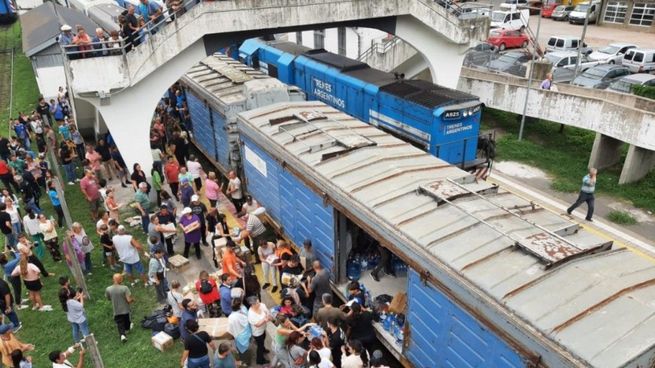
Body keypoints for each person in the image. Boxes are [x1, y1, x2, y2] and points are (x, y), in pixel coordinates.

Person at [105, 273, 134, 342]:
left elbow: (108, 298)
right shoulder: (124, 288)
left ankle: (122, 335)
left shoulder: (108, 289)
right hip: (125, 310)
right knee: (126, 321)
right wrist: (133, 299)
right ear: (121, 280)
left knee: (119, 323)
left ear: (113, 279)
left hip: (116, 310)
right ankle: (127, 328)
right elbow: (129, 300)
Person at [247, 295, 271, 365]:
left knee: (263, 339)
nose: (259, 303)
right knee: (260, 346)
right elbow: (257, 324)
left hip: (263, 329)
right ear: (252, 304)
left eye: (258, 301)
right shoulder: (251, 314)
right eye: (257, 303)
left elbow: (267, 311)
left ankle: (263, 349)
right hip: (257, 333)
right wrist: (265, 319)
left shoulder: (261, 305)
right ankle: (260, 360)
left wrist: (268, 315)